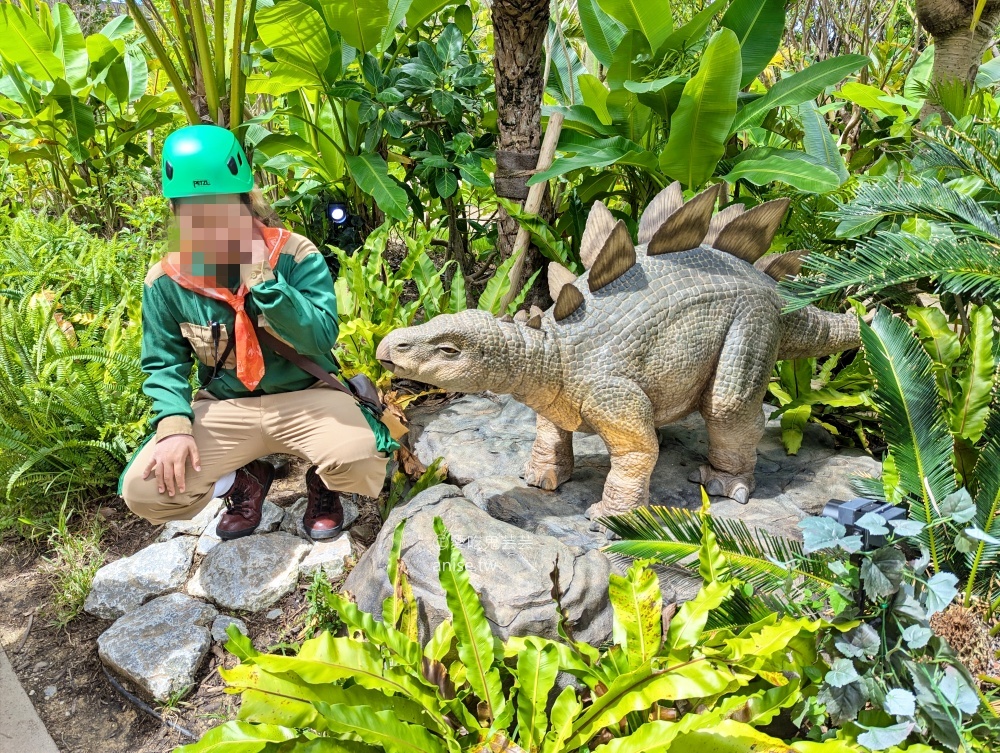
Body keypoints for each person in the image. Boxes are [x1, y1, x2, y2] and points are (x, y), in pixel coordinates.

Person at [119, 124, 396, 540]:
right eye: (193, 210)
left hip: (307, 396)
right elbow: (163, 364)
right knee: (144, 491)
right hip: (227, 406)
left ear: (244, 202)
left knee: (361, 459)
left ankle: (324, 482)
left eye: (219, 206)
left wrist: (261, 276)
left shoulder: (294, 253)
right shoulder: (165, 281)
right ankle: (244, 481)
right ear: (176, 211)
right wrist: (174, 427)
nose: (207, 221)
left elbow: (319, 338)